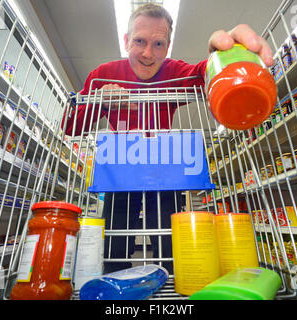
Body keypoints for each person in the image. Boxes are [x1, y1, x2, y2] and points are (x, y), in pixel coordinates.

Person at [64, 3, 274, 274]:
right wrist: (101, 103)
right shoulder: (103, 75)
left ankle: (173, 288)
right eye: (139, 41)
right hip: (120, 175)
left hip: (165, 173)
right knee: (114, 249)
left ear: (168, 46)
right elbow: (70, 127)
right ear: (126, 40)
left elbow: (204, 74)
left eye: (158, 44)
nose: (148, 53)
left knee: (172, 245)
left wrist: (225, 54)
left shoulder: (174, 71)